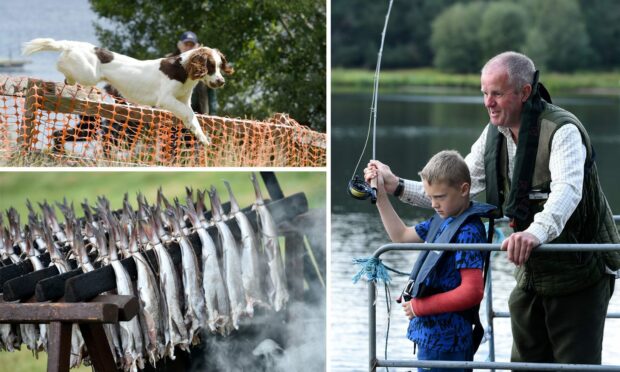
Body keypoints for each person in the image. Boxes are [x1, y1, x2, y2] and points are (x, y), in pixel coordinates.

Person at [365, 51, 620, 365]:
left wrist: (533, 234)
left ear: (525, 92)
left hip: (582, 271)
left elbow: (566, 193)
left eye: (497, 93)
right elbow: (454, 188)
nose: (488, 102)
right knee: (523, 364)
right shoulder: (493, 135)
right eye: (484, 93)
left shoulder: (563, 130)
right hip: (531, 273)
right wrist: (396, 185)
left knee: (574, 366)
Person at [368, 150, 495, 371]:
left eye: (440, 197)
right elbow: (401, 235)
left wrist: (420, 306)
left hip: (450, 341)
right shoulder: (442, 218)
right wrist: (380, 196)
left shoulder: (468, 232)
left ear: (464, 190)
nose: (434, 204)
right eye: (430, 197)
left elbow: (472, 291)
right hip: (430, 337)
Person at [169, 31, 217, 115]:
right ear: (179, 45)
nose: (188, 48)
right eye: (186, 44)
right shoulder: (168, 63)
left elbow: (212, 95)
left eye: (191, 45)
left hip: (199, 115)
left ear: (197, 47)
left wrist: (213, 115)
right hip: (172, 115)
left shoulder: (206, 65)